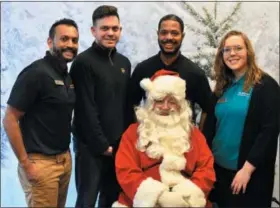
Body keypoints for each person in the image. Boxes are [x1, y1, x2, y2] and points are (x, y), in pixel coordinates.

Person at [3, 18, 79, 207]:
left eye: (74, 40)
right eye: (64, 39)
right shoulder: (35, 73)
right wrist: (25, 163)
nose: (70, 44)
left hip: (64, 160)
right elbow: (10, 119)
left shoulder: (66, 76)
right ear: (50, 42)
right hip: (40, 163)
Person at [113, 69, 215, 207]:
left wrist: (186, 195)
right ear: (150, 103)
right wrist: (157, 196)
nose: (165, 107)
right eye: (159, 101)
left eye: (172, 101)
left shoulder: (194, 134)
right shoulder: (133, 133)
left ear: (181, 104)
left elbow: (206, 169)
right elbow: (126, 170)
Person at [203, 30, 280, 207]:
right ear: (221, 55)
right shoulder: (222, 86)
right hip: (218, 173)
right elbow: (211, 127)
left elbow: (269, 131)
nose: (232, 54)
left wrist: (247, 170)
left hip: (247, 176)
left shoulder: (265, 86)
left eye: (238, 48)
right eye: (227, 49)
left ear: (248, 52)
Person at [70, 5, 131, 208]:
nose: (110, 33)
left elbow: (125, 105)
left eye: (115, 28)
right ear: (93, 31)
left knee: (112, 200)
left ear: (120, 30)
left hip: (118, 148)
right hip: (91, 149)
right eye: (104, 28)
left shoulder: (124, 63)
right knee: (86, 202)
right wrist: (102, 145)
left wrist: (125, 143)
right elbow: (85, 108)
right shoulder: (83, 63)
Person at [127, 14, 212, 130]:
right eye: (164, 32)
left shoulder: (195, 73)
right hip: (149, 139)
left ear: (182, 36)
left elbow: (208, 109)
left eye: (175, 33)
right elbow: (131, 104)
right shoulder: (142, 69)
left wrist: (199, 136)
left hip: (182, 141)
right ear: (158, 34)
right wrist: (138, 132)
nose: (169, 37)